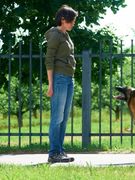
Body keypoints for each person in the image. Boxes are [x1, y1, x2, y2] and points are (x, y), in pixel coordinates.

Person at [45, 5, 78, 163]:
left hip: (68, 79)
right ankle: (53, 154)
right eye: (71, 21)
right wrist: (50, 85)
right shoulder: (55, 35)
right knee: (57, 117)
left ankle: (60, 151)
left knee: (64, 118)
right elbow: (49, 60)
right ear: (63, 20)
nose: (73, 23)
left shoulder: (65, 35)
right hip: (59, 79)